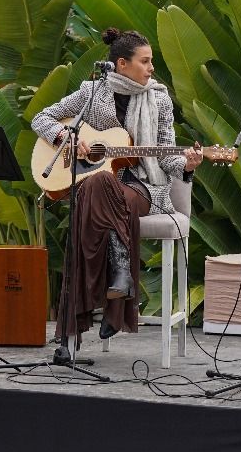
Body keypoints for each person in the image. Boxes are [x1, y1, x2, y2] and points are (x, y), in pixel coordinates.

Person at [31, 27, 203, 343]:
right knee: (98, 181)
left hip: (142, 187)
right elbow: (41, 118)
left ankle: (75, 325)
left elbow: (166, 156)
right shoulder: (92, 93)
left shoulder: (160, 100)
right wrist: (69, 139)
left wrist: (187, 165)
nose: (152, 68)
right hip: (100, 187)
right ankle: (120, 275)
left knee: (95, 190)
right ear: (121, 64)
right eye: (145, 61)